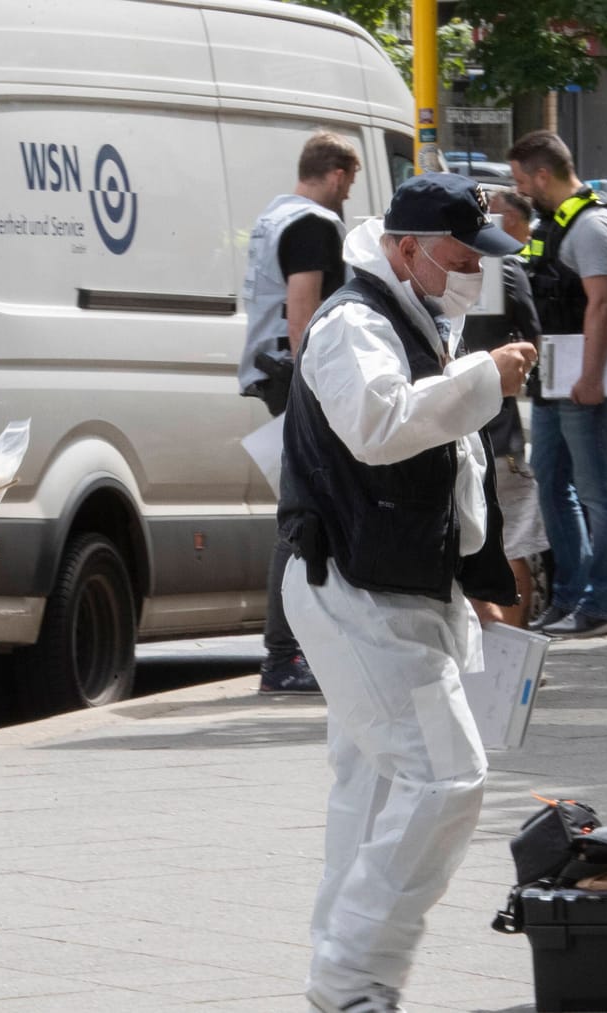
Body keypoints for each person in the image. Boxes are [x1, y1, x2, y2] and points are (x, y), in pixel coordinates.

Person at [279, 171, 536, 1013]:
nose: (473, 271)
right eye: (461, 255)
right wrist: (486, 380)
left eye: (478, 257)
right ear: (405, 249)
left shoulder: (422, 317)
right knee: (445, 780)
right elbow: (381, 426)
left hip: (396, 586)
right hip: (356, 587)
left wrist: (482, 583)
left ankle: (341, 976)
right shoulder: (355, 322)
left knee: (380, 784)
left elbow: (453, 473)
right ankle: (354, 978)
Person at [239, 130, 361, 694]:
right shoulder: (313, 224)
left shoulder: (274, 217)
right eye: (351, 182)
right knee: (303, 515)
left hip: (275, 376)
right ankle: (284, 656)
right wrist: (317, 387)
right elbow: (303, 309)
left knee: (309, 511)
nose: (350, 195)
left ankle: (298, 650)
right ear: (336, 175)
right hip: (297, 380)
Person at [507, 130, 607, 638]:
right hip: (555, 380)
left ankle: (604, 605)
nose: (520, 189)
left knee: (599, 492)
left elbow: (603, 305)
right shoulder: (556, 224)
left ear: (542, 175)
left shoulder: (593, 225)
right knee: (551, 487)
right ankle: (568, 598)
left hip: (584, 382)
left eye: (521, 179)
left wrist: (591, 377)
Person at [461, 187, 549, 627]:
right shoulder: (507, 269)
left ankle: (492, 661)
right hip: (499, 432)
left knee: (466, 547)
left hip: (443, 429)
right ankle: (513, 661)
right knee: (511, 542)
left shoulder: (417, 271)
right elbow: (533, 339)